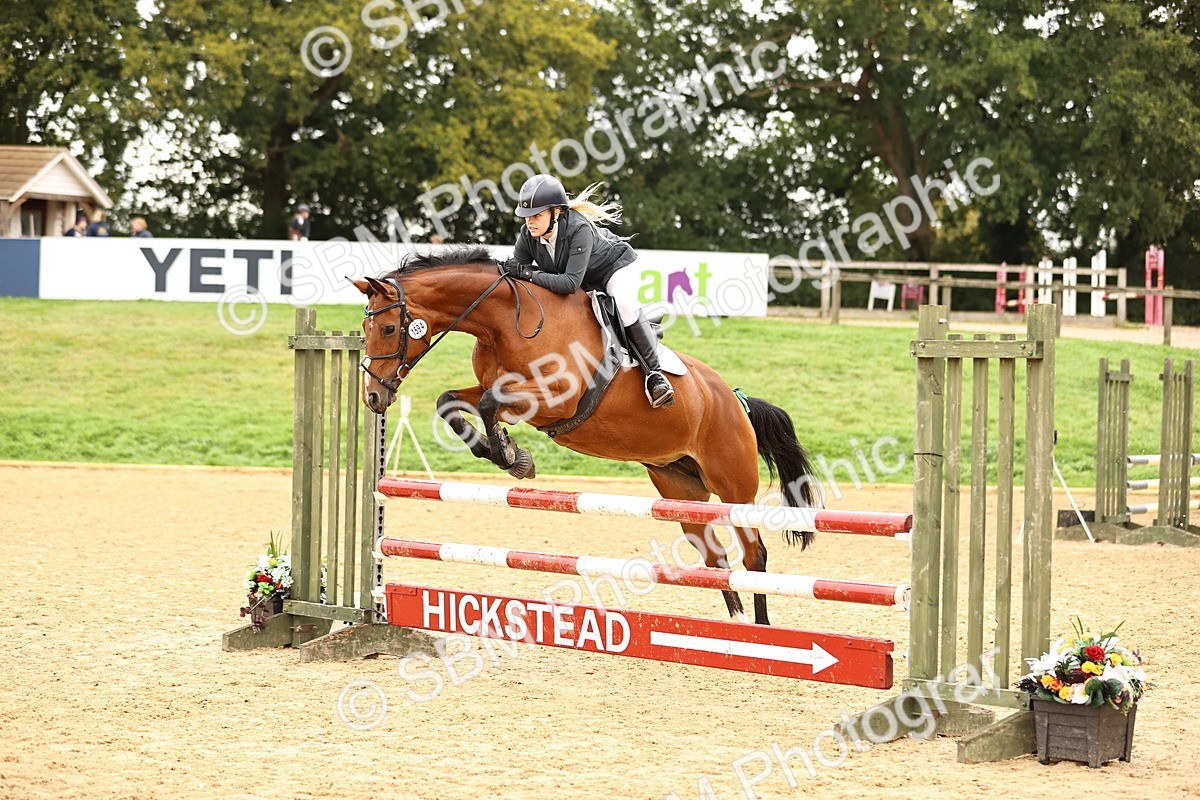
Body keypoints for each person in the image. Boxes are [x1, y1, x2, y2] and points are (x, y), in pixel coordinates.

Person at [500, 174, 674, 408]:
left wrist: (528, 274)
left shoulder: (578, 228)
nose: (530, 222)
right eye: (526, 216)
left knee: (623, 305)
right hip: (584, 279)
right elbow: (517, 274)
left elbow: (569, 284)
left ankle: (655, 375)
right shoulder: (528, 234)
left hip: (613, 268)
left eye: (537, 215)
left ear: (556, 212)